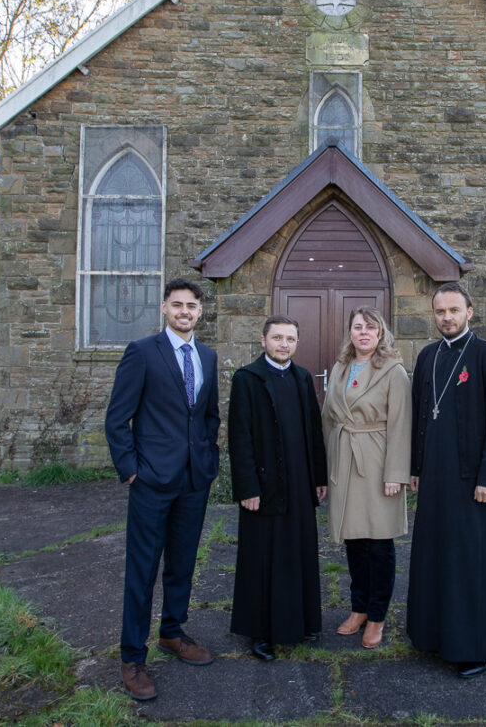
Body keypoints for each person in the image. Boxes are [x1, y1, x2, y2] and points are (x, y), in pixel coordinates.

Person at [104, 278, 220, 701]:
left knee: (183, 563)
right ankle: (132, 657)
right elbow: (117, 418)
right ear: (164, 309)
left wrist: (208, 461)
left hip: (193, 481)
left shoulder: (207, 355)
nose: (185, 311)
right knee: (142, 570)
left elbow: (208, 416)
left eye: (191, 305)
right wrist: (132, 471)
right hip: (151, 481)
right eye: (177, 305)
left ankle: (173, 631)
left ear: (200, 312)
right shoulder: (142, 353)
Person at [407, 282, 486, 678]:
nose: (447, 318)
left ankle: (475, 646)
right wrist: (416, 467)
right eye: (440, 312)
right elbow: (421, 416)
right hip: (435, 479)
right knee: (438, 557)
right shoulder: (427, 357)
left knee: (472, 563)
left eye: (454, 310)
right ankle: (435, 635)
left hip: (474, 482)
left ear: (470, 312)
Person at [227, 315, 328, 661]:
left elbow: (314, 432)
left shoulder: (301, 378)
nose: (283, 344)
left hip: (299, 483)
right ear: (263, 340)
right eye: (277, 338)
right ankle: (261, 631)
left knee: (298, 552)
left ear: (296, 343)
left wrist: (319, 478)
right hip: (263, 485)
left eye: (290, 339)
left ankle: (301, 622)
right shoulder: (247, 379)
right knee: (262, 558)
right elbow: (238, 438)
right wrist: (246, 487)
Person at [322, 307, 411, 649]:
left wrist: (396, 474)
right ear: (350, 332)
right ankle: (358, 608)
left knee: (378, 543)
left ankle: (377, 616)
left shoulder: (393, 371)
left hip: (376, 463)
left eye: (370, 328)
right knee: (354, 540)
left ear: (380, 334)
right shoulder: (341, 367)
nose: (363, 333)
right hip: (345, 460)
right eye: (357, 327)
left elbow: (401, 425)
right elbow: (329, 417)